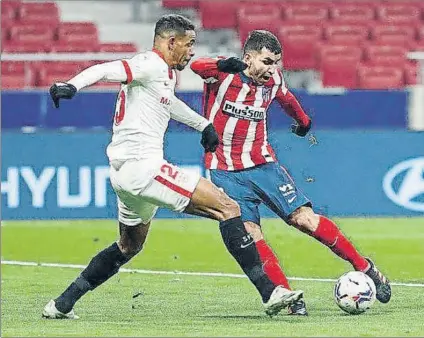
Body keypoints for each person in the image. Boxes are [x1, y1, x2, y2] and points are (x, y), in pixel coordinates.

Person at [42, 16, 303, 320]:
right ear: (170, 42)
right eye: (189, 44)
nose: (192, 52)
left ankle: (61, 304)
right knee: (228, 208)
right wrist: (72, 85)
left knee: (128, 246)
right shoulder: (149, 63)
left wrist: (202, 124)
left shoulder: (163, 75)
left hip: (124, 175)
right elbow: (106, 69)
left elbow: (169, 103)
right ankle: (270, 292)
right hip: (145, 168)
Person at [190, 30, 391, 316]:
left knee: (305, 220)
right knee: (252, 234)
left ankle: (365, 267)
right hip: (225, 172)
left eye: (276, 63)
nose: (272, 69)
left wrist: (304, 121)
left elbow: (286, 99)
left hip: (264, 165)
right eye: (267, 61)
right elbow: (197, 66)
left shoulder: (272, 81)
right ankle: (287, 297)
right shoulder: (223, 73)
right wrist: (226, 65)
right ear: (248, 57)